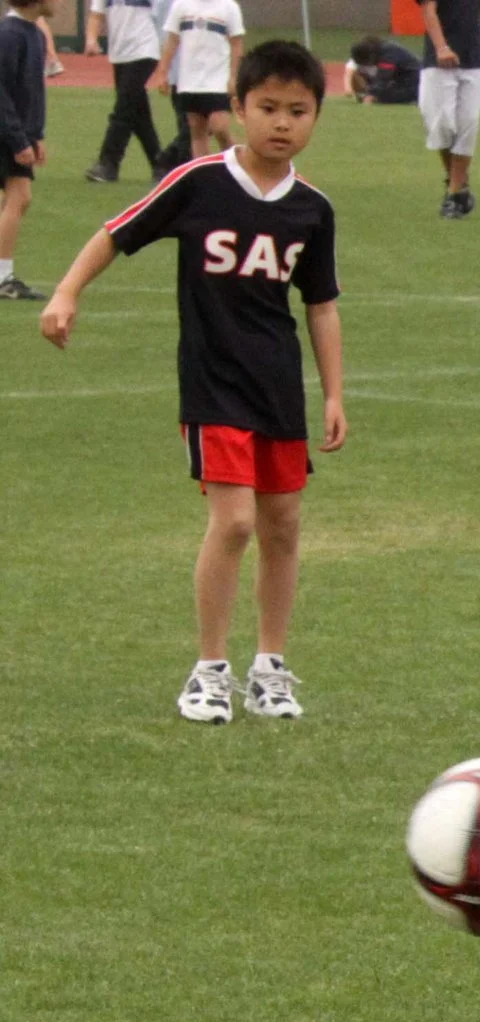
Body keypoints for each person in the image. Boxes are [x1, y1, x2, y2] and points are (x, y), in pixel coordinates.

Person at [40, 40, 345, 724]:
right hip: (212, 383)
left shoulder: (312, 210)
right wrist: (66, 294)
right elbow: (114, 234)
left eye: (298, 110)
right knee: (234, 522)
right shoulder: (199, 182)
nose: (282, 123)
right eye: (266, 107)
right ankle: (209, 669)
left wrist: (332, 394)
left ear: (316, 117)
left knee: (284, 525)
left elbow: (320, 306)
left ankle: (271, 667)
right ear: (237, 108)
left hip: (277, 389)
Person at [416, 0, 480, 219]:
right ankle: (458, 180)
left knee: (468, 123)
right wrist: (442, 48)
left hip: (474, 58)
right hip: (438, 61)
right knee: (440, 125)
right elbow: (429, 10)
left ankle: (455, 194)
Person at [81, 0, 163, 183]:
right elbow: (96, 15)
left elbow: (165, 14)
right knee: (138, 113)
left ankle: (109, 163)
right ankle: (160, 162)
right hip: (119, 54)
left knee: (123, 109)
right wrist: (91, 39)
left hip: (145, 50)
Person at [153, 0, 240, 166]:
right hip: (189, 80)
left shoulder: (229, 7)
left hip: (217, 79)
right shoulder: (181, 5)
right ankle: (203, 175)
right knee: (197, 130)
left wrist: (233, 76)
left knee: (219, 127)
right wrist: (163, 72)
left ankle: (240, 164)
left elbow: (236, 45)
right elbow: (172, 40)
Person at [0, 0, 43, 299]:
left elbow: (31, 92)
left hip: (16, 131)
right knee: (19, 196)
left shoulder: (33, 33)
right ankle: (3, 279)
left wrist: (35, 135)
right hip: (6, 131)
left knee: (17, 198)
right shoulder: (10, 34)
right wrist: (18, 139)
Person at [347, 35, 421, 104]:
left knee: (384, 95)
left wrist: (371, 94)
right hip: (405, 82)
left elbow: (383, 79)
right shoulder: (384, 49)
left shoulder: (388, 54)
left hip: (414, 84)